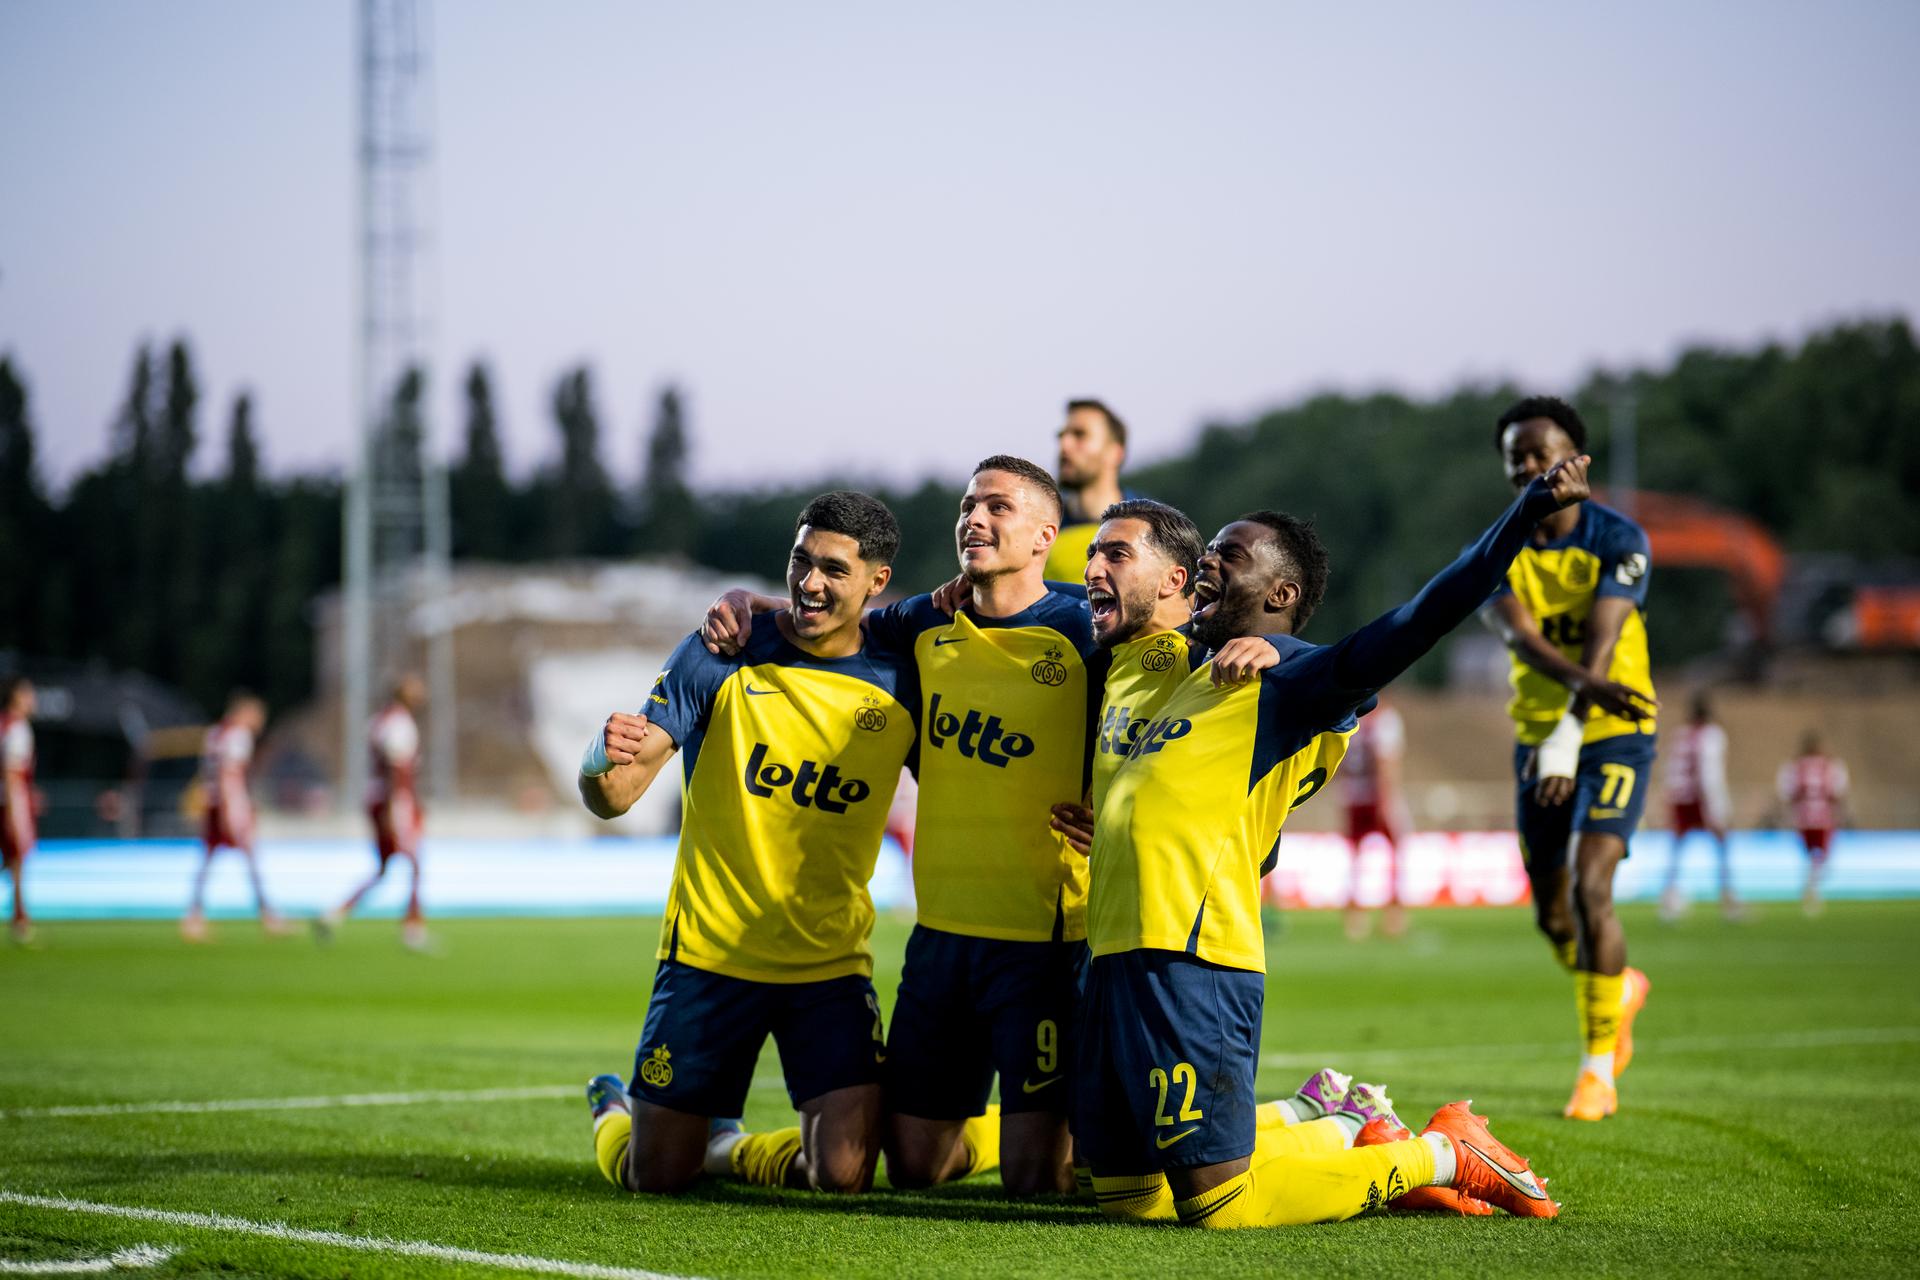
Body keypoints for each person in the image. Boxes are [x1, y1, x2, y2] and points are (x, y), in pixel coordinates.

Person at [1074, 459, 1592, 1228]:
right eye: (1208, 551)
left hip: (1191, 955)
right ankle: (1333, 1123)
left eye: (1233, 554)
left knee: (1218, 1206)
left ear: (1281, 597)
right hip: (1109, 955)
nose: (1211, 561)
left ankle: (1445, 1154)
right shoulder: (1176, 672)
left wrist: (1521, 519)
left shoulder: (1288, 684)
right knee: (1125, 1201)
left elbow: (1414, 623)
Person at [705, 456, 1101, 1196]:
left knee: (1034, 1183)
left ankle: (1066, 1134)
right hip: (942, 940)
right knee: (913, 1167)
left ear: (1047, 533)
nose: (974, 519)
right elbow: (821, 619)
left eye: (997, 508)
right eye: (967, 505)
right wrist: (744, 603)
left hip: (1042, 946)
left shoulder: (1085, 630)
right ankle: (1011, 1129)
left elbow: (1162, 697)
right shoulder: (922, 626)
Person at [580, 492, 918, 1197]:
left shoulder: (904, 677)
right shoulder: (722, 651)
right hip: (711, 953)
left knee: (847, 1175)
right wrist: (595, 758)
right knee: (656, 1176)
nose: (810, 583)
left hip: (827, 964)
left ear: (876, 582)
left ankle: (727, 1147)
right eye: (800, 561)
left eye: (832, 568)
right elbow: (616, 797)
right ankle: (614, 1108)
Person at [1480, 396, 1657, 1123]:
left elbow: (1604, 644)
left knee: (1592, 889)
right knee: (1553, 917)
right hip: (1537, 737)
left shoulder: (1619, 537)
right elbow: (1523, 642)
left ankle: (1596, 1073)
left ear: (1575, 459)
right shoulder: (1498, 549)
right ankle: (1619, 988)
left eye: (1540, 451)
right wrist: (1554, 734)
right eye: (1516, 455)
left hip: (1616, 729)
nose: (1528, 465)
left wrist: (1575, 727)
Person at [317, 674, 428, 949]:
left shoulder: (380, 720)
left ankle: (336, 913)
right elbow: (396, 769)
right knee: (414, 863)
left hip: (378, 797)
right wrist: (397, 806)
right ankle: (412, 928)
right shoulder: (400, 724)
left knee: (385, 867)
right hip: (394, 800)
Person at [183, 691, 290, 941]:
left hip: (213, 802)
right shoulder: (239, 736)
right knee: (250, 859)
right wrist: (235, 810)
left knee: (209, 859)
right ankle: (268, 916)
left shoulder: (214, 733)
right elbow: (230, 775)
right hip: (231, 804)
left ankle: (194, 916)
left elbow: (209, 771)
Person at [1659, 691, 1741, 922]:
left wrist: (1670, 799)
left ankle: (1669, 900)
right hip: (1701, 798)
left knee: (1676, 851)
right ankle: (1729, 901)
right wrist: (1718, 808)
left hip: (1680, 798)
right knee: (1722, 848)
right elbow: (1709, 774)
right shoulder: (1712, 735)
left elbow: (1671, 769)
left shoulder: (1681, 734)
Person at [1339, 698, 1409, 939]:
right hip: (1378, 795)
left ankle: (1355, 918)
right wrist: (1386, 800)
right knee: (1396, 853)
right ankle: (1394, 916)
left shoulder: (1352, 718)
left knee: (1355, 857)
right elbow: (1385, 761)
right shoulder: (1386, 719)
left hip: (1353, 794)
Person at [1044, 399, 1133, 583]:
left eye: (1079, 435)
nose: (1064, 445)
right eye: (1062, 436)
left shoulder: (1150, 526)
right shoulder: (1039, 526)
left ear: (1114, 452)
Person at [1773, 731, 1850, 916]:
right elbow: (1839, 793)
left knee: (1812, 858)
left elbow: (1785, 792)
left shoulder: (1794, 766)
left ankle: (1811, 887)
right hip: (1823, 820)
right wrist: (1840, 814)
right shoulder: (1831, 765)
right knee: (1821, 858)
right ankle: (1813, 889)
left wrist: (1787, 815)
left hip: (1803, 820)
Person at [1, 676, 38, 945]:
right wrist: (16, 812)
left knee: (12, 861)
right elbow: (12, 773)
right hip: (11, 801)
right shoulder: (18, 728)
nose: (32, 699)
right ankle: (20, 918)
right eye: (27, 694)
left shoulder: (5, 725)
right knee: (16, 859)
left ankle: (20, 918)